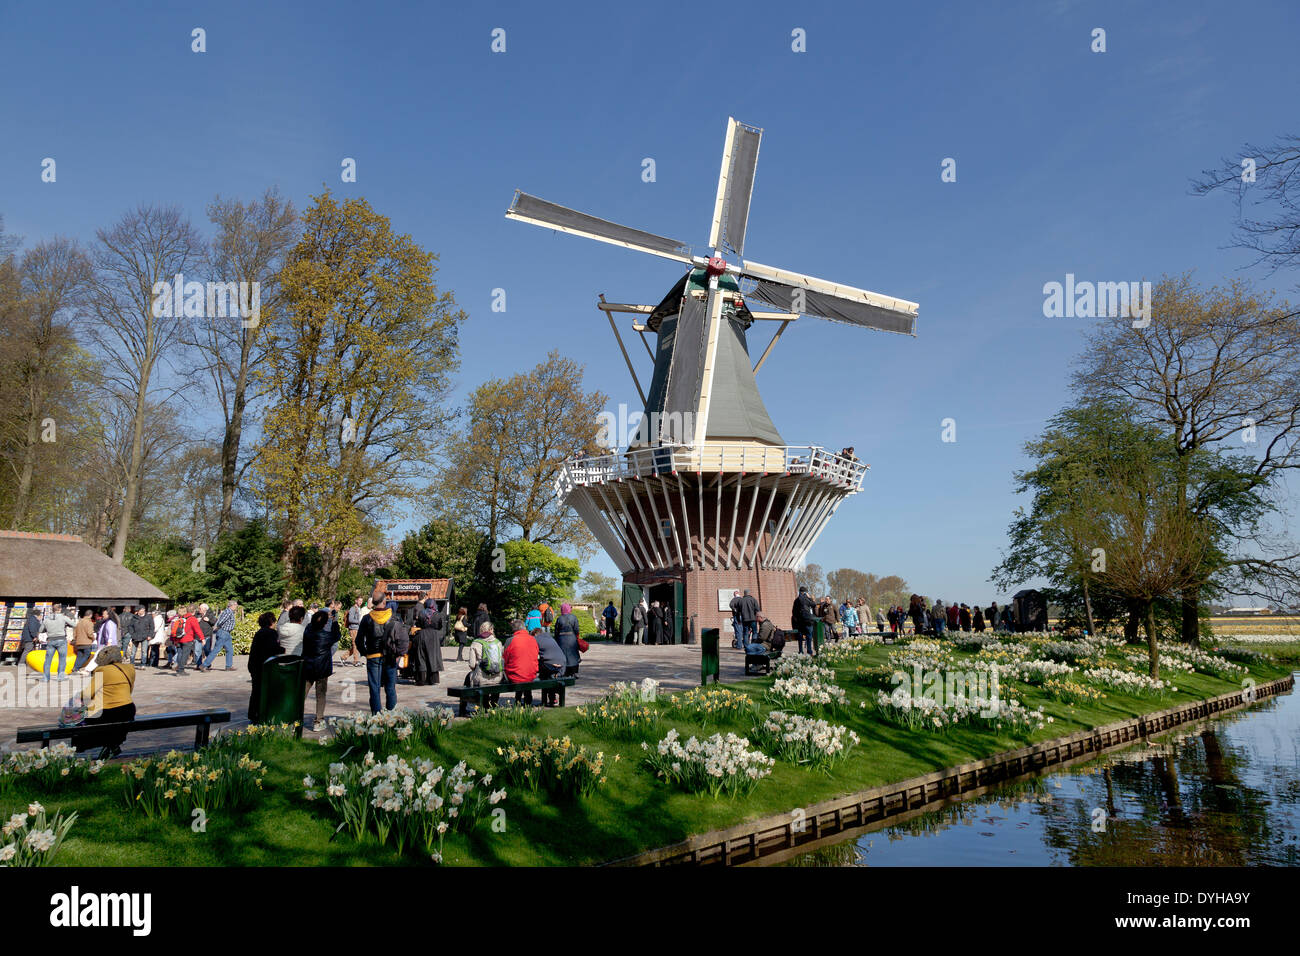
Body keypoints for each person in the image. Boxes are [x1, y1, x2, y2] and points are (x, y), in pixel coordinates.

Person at [355, 585, 408, 714]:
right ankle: (391, 715)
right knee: (390, 687)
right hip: (390, 656)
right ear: (384, 601)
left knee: (374, 688)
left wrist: (365, 652)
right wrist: (399, 654)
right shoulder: (394, 617)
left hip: (373, 656)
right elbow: (403, 639)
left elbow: (358, 640)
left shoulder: (367, 618)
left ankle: (376, 717)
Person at [76, 646, 135, 759]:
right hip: (128, 709)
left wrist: (77, 696)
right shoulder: (130, 669)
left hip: (110, 711)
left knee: (82, 722)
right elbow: (130, 690)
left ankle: (80, 748)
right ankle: (112, 747)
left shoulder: (102, 670)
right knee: (110, 726)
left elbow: (88, 693)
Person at [301, 609, 340, 729]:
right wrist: (334, 622)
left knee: (302, 694)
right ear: (324, 624)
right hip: (322, 668)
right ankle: (318, 721)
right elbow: (337, 635)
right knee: (321, 695)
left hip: (308, 667)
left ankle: (296, 718)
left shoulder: (307, 632)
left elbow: (309, 625)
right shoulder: (327, 636)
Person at [247, 612, 284, 724]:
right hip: (264, 666)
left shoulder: (259, 633)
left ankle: (253, 714)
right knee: (266, 691)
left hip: (254, 664)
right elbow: (272, 648)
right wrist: (282, 650)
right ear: (271, 622)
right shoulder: (271, 633)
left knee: (256, 690)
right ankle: (264, 713)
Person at [464, 622, 504, 710]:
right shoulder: (498, 643)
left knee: (469, 678)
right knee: (494, 682)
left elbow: (471, 665)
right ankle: (493, 704)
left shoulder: (475, 643)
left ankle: (467, 707)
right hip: (497, 677)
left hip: (481, 678)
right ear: (491, 630)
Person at [503, 620, 540, 706]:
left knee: (516, 670)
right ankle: (527, 698)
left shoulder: (510, 640)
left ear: (513, 630)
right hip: (531, 674)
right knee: (524, 670)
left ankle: (518, 699)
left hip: (515, 675)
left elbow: (505, 658)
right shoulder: (533, 639)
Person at [411, 599, 446, 686]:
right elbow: (440, 626)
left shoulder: (421, 613)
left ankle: (421, 680)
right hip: (433, 636)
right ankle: (432, 679)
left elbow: (418, 624)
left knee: (421, 656)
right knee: (432, 657)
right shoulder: (437, 615)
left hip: (423, 635)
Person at [200, 598, 238, 671]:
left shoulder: (229, 611)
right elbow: (221, 621)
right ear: (232, 605)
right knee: (216, 650)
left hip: (226, 633)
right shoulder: (228, 612)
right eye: (236, 605)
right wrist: (218, 627)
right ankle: (204, 665)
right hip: (223, 632)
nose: (236, 607)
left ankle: (228, 666)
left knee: (229, 650)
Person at [534, 626, 566, 706]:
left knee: (543, 674)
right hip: (562, 663)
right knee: (548, 676)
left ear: (535, 634)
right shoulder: (550, 638)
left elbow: (533, 654)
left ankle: (547, 699)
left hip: (550, 663)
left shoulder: (536, 639)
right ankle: (552, 698)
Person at [553, 602, 582, 678]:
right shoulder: (573, 617)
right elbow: (576, 629)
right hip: (571, 638)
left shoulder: (559, 618)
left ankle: (563, 671)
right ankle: (573, 673)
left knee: (563, 655)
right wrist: (576, 637)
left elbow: (556, 631)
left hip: (562, 639)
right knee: (573, 656)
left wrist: (556, 639)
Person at [791, 586, 817, 655]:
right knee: (809, 636)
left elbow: (793, 612)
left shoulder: (796, 600)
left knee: (800, 636)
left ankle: (800, 651)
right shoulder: (807, 599)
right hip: (808, 621)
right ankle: (809, 651)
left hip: (800, 622)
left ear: (799, 592)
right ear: (805, 592)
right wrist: (810, 598)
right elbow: (814, 605)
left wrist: (797, 619)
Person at [343, 596, 365, 667]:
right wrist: (359, 622)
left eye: (361, 601)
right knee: (355, 645)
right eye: (359, 601)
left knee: (356, 645)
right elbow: (350, 619)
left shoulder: (358, 608)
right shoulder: (353, 608)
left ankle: (343, 657)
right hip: (353, 629)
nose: (360, 602)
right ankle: (356, 661)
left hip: (357, 629)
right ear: (356, 601)